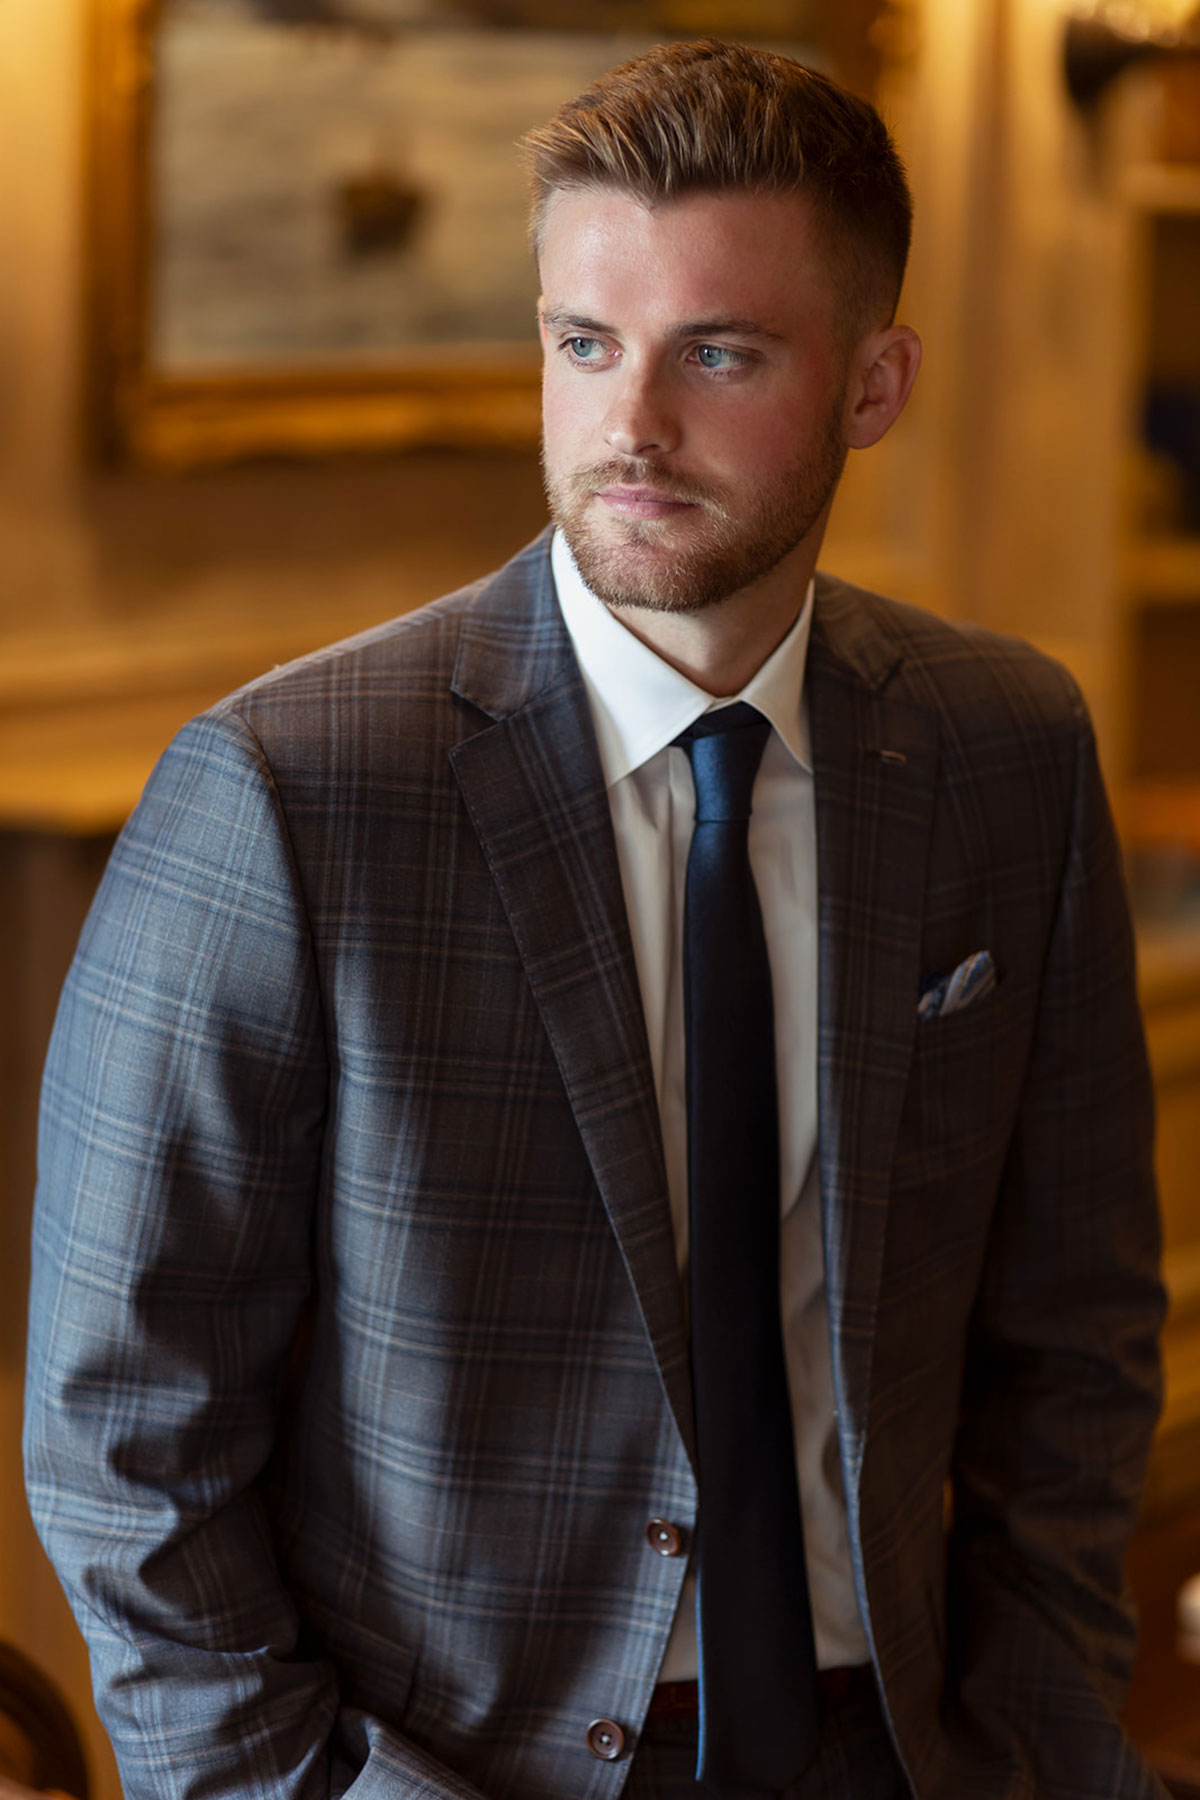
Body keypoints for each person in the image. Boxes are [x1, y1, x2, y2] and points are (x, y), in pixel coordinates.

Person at [25, 39, 1167, 1800]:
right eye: (584, 345)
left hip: (911, 1748)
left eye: (718, 353)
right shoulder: (286, 791)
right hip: (450, 1769)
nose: (629, 426)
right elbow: (124, 1438)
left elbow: (1076, 1332)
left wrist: (1038, 1741)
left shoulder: (1007, 744)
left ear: (876, 384)